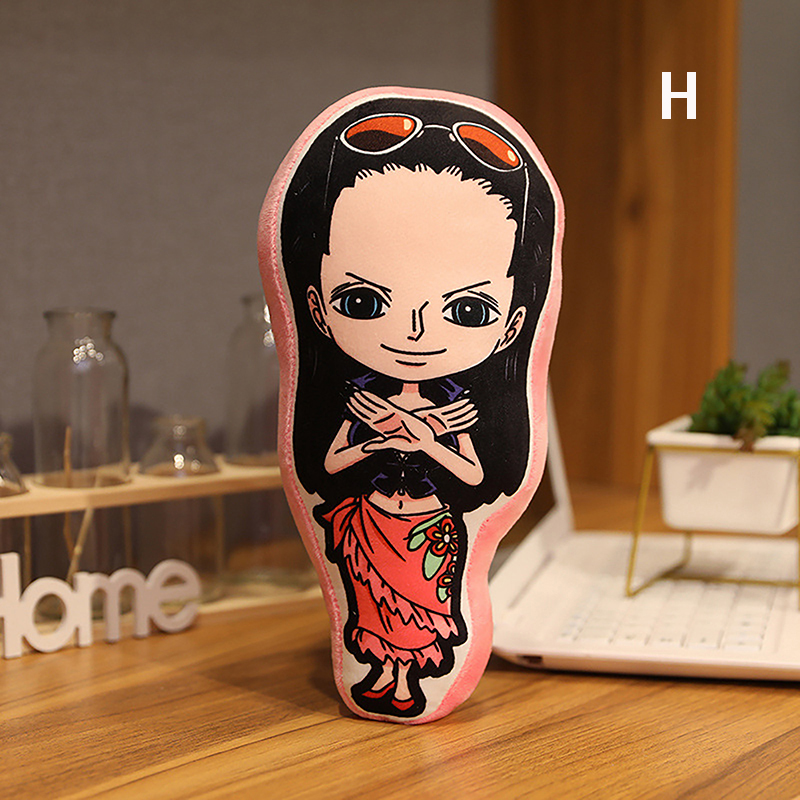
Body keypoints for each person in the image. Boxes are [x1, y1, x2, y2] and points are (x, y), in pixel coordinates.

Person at [267, 91, 560, 720]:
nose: (416, 334)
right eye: (364, 303)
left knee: (420, 613)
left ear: (512, 324)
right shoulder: (360, 401)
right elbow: (332, 462)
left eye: (468, 311)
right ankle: (383, 678)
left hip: (430, 528)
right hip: (370, 521)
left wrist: (424, 440)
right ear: (315, 306)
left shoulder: (457, 405)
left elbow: (475, 475)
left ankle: (404, 681)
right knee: (373, 610)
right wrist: (377, 440)